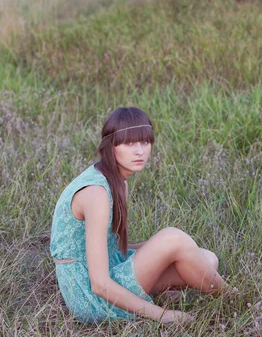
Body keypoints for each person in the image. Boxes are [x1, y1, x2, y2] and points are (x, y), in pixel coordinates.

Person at [50, 107, 228, 324]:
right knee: (173, 238)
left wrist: (164, 249)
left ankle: (154, 291)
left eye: (144, 142)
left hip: (109, 264)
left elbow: (109, 246)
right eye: (129, 143)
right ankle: (232, 298)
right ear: (110, 146)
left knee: (207, 259)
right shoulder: (97, 193)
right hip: (88, 295)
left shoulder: (117, 182)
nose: (139, 151)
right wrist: (162, 315)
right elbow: (99, 284)